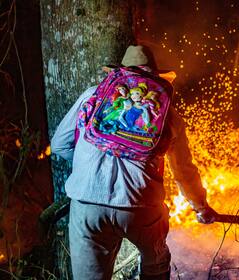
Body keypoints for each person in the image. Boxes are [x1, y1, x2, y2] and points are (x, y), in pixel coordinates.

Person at [51, 45, 218, 280]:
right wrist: (200, 206)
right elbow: (183, 171)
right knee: (156, 264)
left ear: (120, 71)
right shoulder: (166, 112)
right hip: (140, 206)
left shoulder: (92, 96)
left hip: (87, 203)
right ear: (154, 76)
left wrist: (85, 169)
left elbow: (59, 145)